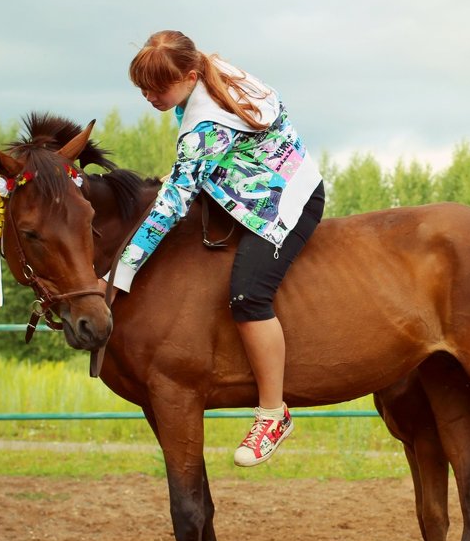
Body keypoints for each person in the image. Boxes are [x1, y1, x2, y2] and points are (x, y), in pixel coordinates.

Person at [109, 30, 325, 467]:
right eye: (143, 89)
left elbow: (172, 202)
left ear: (190, 75)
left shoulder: (203, 129)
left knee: (248, 294)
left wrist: (121, 271)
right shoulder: (208, 67)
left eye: (158, 88)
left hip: (282, 198)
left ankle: (272, 413)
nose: (149, 97)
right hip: (247, 178)